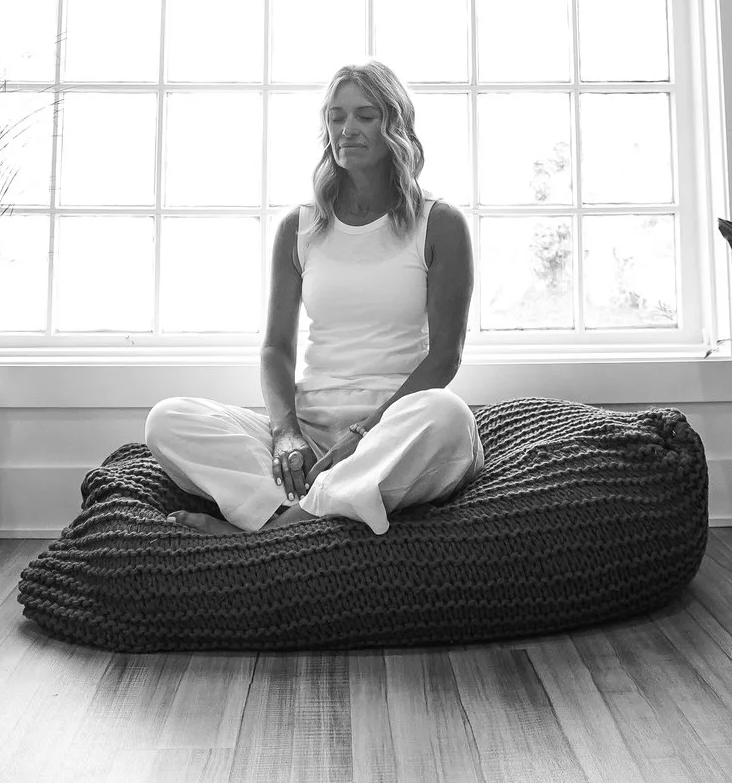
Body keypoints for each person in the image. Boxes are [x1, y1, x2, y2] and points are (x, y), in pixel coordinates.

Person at [145, 59, 481, 534]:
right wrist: (285, 434)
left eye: (366, 115)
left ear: (396, 125)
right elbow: (275, 348)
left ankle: (277, 527)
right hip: (312, 429)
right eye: (337, 116)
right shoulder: (299, 227)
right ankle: (313, 508)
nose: (348, 128)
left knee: (449, 419)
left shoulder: (440, 222)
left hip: (395, 429)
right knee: (168, 419)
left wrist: (363, 435)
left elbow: (445, 357)